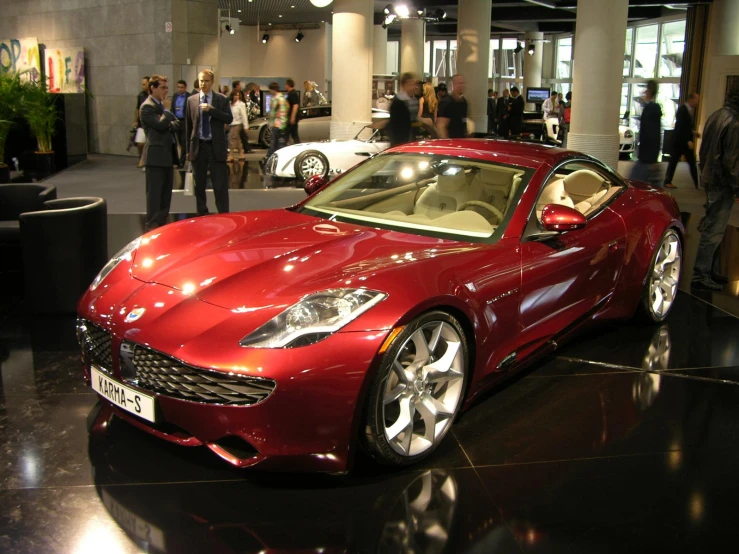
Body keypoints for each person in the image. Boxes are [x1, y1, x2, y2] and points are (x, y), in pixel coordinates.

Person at [691, 81, 739, 291]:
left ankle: (708, 270)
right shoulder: (735, 122)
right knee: (715, 230)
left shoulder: (716, 115)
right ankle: (701, 274)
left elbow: (704, 151)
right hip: (722, 183)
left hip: (711, 178)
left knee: (713, 226)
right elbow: (732, 161)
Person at [185, 69, 233, 215]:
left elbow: (228, 118)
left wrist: (212, 110)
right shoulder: (191, 100)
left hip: (215, 147)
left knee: (220, 185)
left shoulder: (221, 99)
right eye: (201, 80)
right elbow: (188, 126)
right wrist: (188, 149)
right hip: (198, 146)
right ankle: (202, 213)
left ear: (212, 82)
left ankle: (223, 214)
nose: (203, 84)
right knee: (199, 185)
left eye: (206, 81)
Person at [139, 75, 178, 231]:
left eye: (167, 87)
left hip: (167, 155)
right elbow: (161, 125)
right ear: (152, 88)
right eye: (162, 87)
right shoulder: (147, 107)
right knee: (154, 194)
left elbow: (176, 124)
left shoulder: (161, 106)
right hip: (155, 157)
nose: (166, 90)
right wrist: (167, 113)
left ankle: (162, 223)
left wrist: (166, 118)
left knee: (166, 194)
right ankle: (153, 225)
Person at [630, 80, 663, 189]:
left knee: (633, 184)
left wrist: (648, 156)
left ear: (649, 91)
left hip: (646, 157)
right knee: (652, 185)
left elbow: (649, 133)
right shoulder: (652, 108)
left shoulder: (650, 109)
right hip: (649, 156)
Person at [664, 92, 700, 189]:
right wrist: (688, 140)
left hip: (683, 141)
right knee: (674, 161)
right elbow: (680, 128)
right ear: (691, 99)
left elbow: (686, 127)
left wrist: (693, 132)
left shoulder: (689, 110)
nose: (697, 102)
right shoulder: (682, 110)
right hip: (680, 142)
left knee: (691, 162)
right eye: (696, 100)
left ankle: (697, 183)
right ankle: (667, 181)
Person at [388, 73, 417, 147]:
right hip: (400, 139)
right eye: (410, 84)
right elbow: (395, 124)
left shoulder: (413, 100)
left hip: (409, 137)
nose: (414, 87)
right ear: (404, 86)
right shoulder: (398, 102)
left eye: (414, 84)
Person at [437, 74, 468, 139]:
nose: (461, 86)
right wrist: (447, 143)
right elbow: (441, 126)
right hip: (450, 141)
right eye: (459, 83)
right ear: (453, 85)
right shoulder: (446, 102)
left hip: (460, 140)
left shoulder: (463, 102)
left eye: (462, 83)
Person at [266, 81, 289, 159]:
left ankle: (269, 156)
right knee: (276, 143)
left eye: (270, 89)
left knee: (276, 143)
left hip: (279, 124)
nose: (270, 91)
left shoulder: (280, 99)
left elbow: (283, 112)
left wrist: (282, 125)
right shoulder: (274, 99)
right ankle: (273, 157)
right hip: (275, 124)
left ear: (274, 89)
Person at [171, 80, 189, 168]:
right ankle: (178, 160)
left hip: (184, 121)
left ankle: (181, 162)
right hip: (176, 120)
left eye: (182, 87)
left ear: (185, 88)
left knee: (184, 141)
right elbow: (172, 108)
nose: (180, 89)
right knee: (178, 141)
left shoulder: (188, 96)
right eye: (179, 87)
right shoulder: (175, 96)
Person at [133, 75, 150, 168]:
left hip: (150, 123)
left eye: (144, 84)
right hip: (141, 124)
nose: (142, 86)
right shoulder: (141, 95)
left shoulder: (152, 95)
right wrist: (135, 120)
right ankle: (141, 158)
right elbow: (137, 108)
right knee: (140, 143)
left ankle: (146, 160)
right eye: (142, 84)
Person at [228, 88, 248, 160]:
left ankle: (231, 155)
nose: (237, 97)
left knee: (231, 137)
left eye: (238, 95)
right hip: (231, 123)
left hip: (238, 123)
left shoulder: (241, 104)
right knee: (237, 139)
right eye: (235, 95)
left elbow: (244, 115)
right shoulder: (230, 104)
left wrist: (246, 126)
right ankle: (241, 154)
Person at [285, 78, 301, 145]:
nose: (285, 86)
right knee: (293, 135)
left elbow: (295, 105)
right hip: (290, 117)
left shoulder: (293, 93)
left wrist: (292, 117)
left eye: (285, 85)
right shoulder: (290, 93)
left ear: (288, 85)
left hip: (292, 118)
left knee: (294, 135)